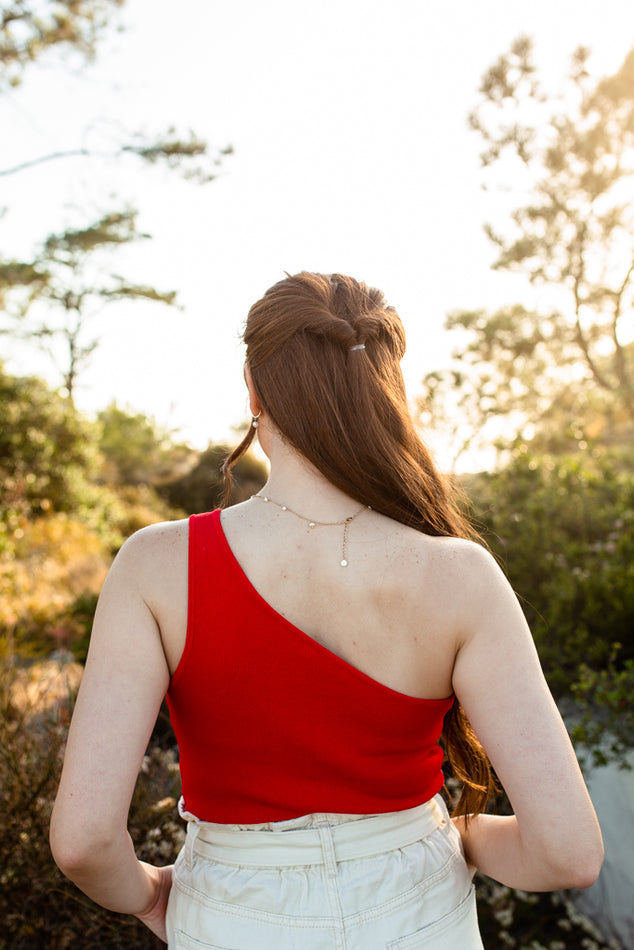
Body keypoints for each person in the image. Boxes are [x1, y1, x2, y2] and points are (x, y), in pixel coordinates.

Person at [50, 272, 604, 948]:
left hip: (232, 913)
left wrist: (149, 895)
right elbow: (568, 852)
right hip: (418, 911)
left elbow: (82, 842)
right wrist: (457, 835)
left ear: (253, 389)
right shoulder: (461, 574)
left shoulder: (155, 565)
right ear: (387, 392)